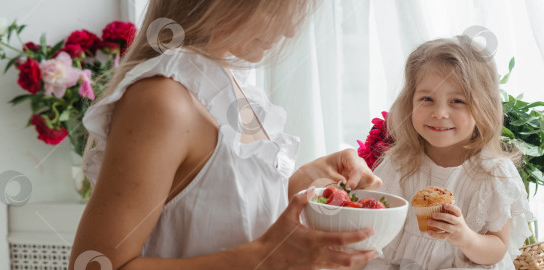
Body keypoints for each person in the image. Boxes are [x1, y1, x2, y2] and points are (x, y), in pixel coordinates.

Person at [69, 1, 381, 269]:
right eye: (275, 9)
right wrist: (264, 259)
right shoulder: (163, 100)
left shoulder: (226, 79)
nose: (288, 31)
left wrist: (301, 180)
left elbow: (211, 213)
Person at [360, 37, 534, 269]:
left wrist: (464, 237)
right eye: (427, 99)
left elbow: (497, 249)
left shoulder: (493, 172)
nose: (440, 112)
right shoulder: (400, 163)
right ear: (410, 101)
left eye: (457, 101)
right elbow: (379, 229)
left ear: (484, 106)